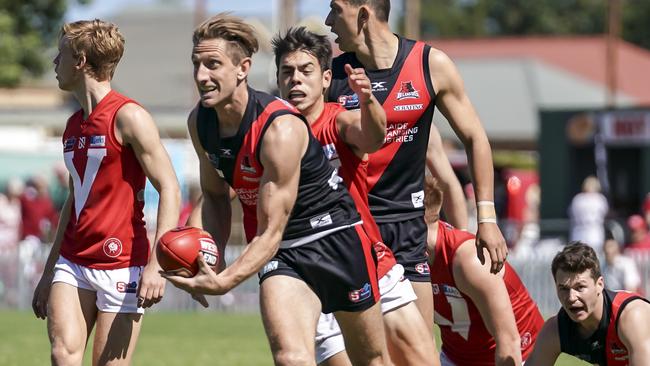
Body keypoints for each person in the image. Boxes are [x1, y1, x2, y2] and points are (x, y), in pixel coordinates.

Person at [162, 14, 390, 366]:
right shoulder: (200, 122)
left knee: (371, 359)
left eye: (213, 65)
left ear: (243, 68)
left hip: (336, 238)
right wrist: (214, 252)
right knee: (290, 357)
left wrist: (224, 281)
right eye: (197, 65)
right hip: (283, 254)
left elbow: (271, 230)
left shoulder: (279, 128)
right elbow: (217, 196)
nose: (201, 76)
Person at [324, 0, 507, 326]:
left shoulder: (429, 64)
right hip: (349, 229)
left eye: (335, 10)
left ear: (363, 15)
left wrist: (488, 218)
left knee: (418, 351)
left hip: (407, 229)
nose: (328, 21)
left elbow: (476, 138)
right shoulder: (330, 75)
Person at [273, 27, 437, 365]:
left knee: (423, 359)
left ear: (325, 78)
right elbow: (225, 188)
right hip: (311, 272)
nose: (295, 80)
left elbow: (371, 137)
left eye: (306, 71)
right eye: (287, 72)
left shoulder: (338, 121)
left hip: (370, 259)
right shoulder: (269, 133)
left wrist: (368, 101)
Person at [31, 19, 181, 365]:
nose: (55, 63)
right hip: (73, 260)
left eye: (61, 55)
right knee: (62, 354)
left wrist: (158, 265)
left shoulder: (129, 116)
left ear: (81, 60)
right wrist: (49, 270)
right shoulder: (72, 125)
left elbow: (170, 187)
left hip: (123, 264)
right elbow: (74, 200)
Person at [425, 175, 543, 366]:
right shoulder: (404, 255)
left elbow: (509, 342)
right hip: (457, 356)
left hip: (518, 353)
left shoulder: (467, 258)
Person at [527, 242, 650, 365]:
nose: (571, 297)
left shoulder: (631, 317)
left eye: (580, 287)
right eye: (564, 289)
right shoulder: (556, 330)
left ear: (600, 285)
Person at [568, 175, 609, 253]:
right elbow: (606, 214)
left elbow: (571, 214)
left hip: (581, 233)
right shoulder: (600, 199)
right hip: (593, 233)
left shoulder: (577, 198)